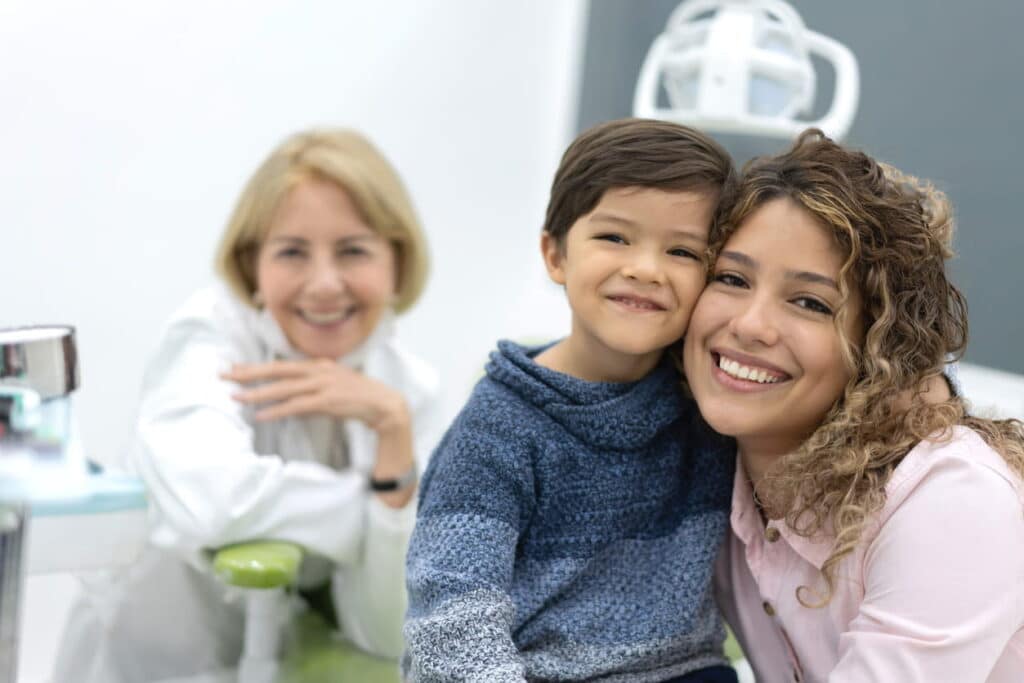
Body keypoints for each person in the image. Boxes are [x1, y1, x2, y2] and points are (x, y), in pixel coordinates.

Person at [54, 128, 443, 682]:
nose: (325, 284)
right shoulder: (208, 337)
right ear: (251, 265)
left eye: (353, 250)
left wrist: (394, 441)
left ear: (397, 264)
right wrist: (370, 508)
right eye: (292, 252)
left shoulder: (405, 392)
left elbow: (382, 631)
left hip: (271, 661)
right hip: (150, 657)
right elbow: (215, 504)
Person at [403, 118, 740, 683]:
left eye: (683, 251)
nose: (645, 269)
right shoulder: (497, 432)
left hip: (688, 671)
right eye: (614, 237)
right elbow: (452, 620)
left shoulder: (710, 402)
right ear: (556, 255)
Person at [682, 129, 1024, 682]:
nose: (748, 325)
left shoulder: (950, 497)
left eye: (810, 302)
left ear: (877, 345)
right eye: (731, 278)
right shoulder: (707, 472)